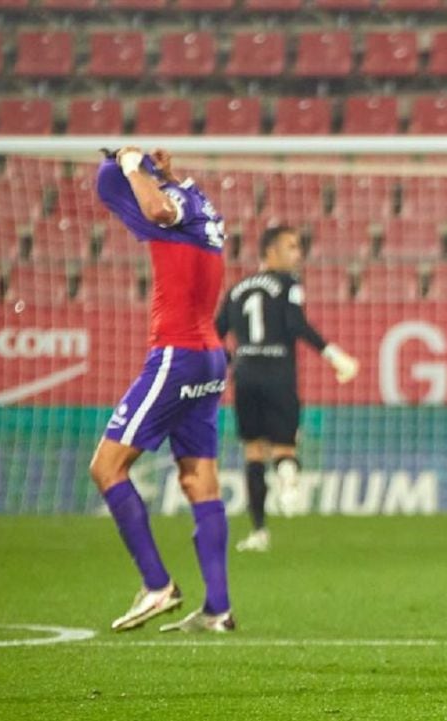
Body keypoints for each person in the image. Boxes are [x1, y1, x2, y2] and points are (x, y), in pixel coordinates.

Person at [91, 146, 235, 633]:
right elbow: (166, 204)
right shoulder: (201, 202)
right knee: (199, 479)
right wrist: (160, 174)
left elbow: (154, 208)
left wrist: (130, 165)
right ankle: (218, 608)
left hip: (178, 353)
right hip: (210, 353)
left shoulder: (169, 206)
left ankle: (158, 585)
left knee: (107, 467)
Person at [216, 226, 359, 552]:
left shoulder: (237, 289)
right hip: (279, 373)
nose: (298, 254)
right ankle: (288, 480)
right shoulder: (289, 285)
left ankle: (258, 531)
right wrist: (336, 357)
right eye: (291, 247)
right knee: (284, 447)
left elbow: (213, 334)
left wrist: (231, 360)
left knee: (253, 451)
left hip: (247, 374)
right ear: (270, 252)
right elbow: (296, 324)